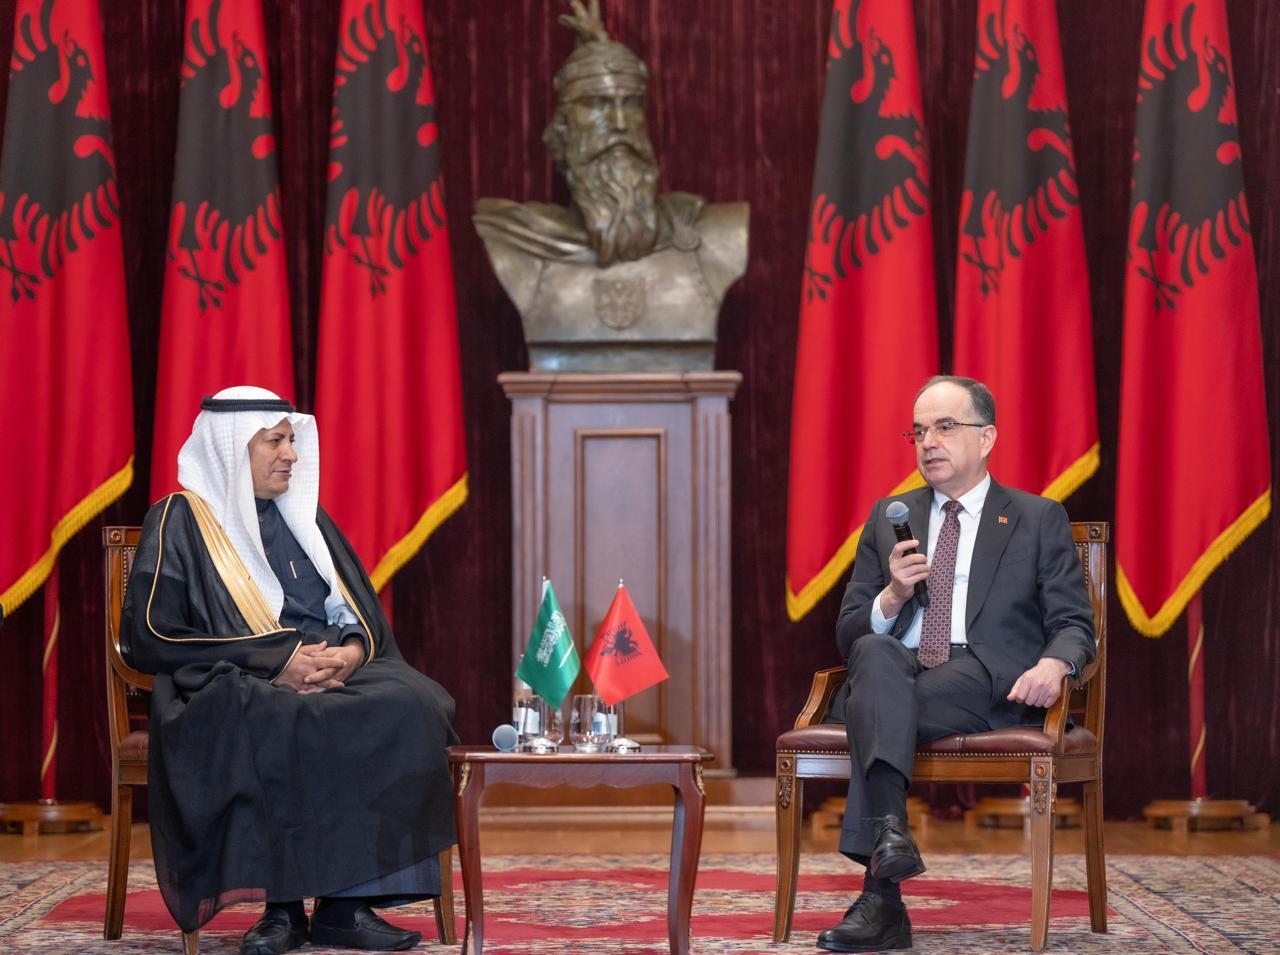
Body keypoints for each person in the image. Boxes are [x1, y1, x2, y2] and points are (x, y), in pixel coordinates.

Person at [121, 387, 458, 955]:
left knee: (412, 701)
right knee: (278, 713)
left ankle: (346, 907)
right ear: (233, 448)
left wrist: (350, 654)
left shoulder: (306, 517)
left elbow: (359, 615)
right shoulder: (179, 520)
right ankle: (282, 910)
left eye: (291, 441)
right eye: (275, 441)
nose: (291, 455)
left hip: (327, 668)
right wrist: (276, 663)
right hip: (232, 678)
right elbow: (149, 636)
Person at [816, 376, 1095, 953]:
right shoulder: (889, 517)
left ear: (986, 437)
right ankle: (890, 842)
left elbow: (1074, 623)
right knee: (873, 651)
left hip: (986, 677)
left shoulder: (1036, 516)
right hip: (896, 671)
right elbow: (848, 634)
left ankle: (881, 900)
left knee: (875, 709)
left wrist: (1055, 665)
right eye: (918, 431)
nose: (928, 442)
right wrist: (892, 596)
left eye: (945, 427)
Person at [473, 0, 747, 371]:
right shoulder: (516, 238)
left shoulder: (717, 233)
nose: (619, 122)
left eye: (631, 104)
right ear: (562, 129)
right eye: (596, 104)